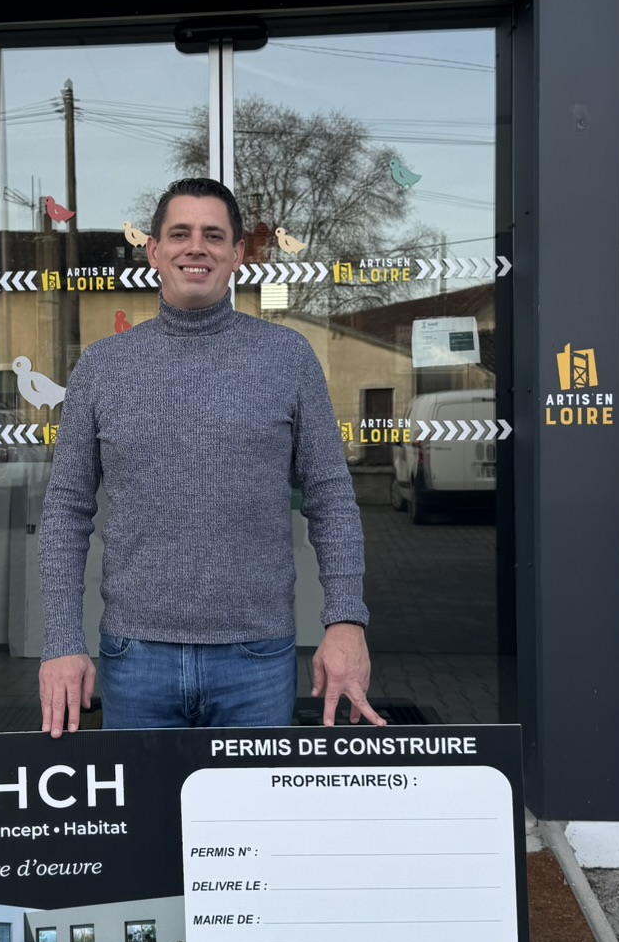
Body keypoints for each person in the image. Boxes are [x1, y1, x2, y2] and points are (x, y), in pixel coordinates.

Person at [37, 176, 383, 736]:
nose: (195, 247)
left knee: (253, 801)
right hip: (135, 658)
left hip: (257, 659)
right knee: (144, 801)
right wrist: (61, 641)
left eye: (213, 236)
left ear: (238, 254)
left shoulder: (287, 358)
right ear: (154, 251)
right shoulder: (102, 368)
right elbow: (66, 511)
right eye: (180, 234)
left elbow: (331, 498)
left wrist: (345, 620)